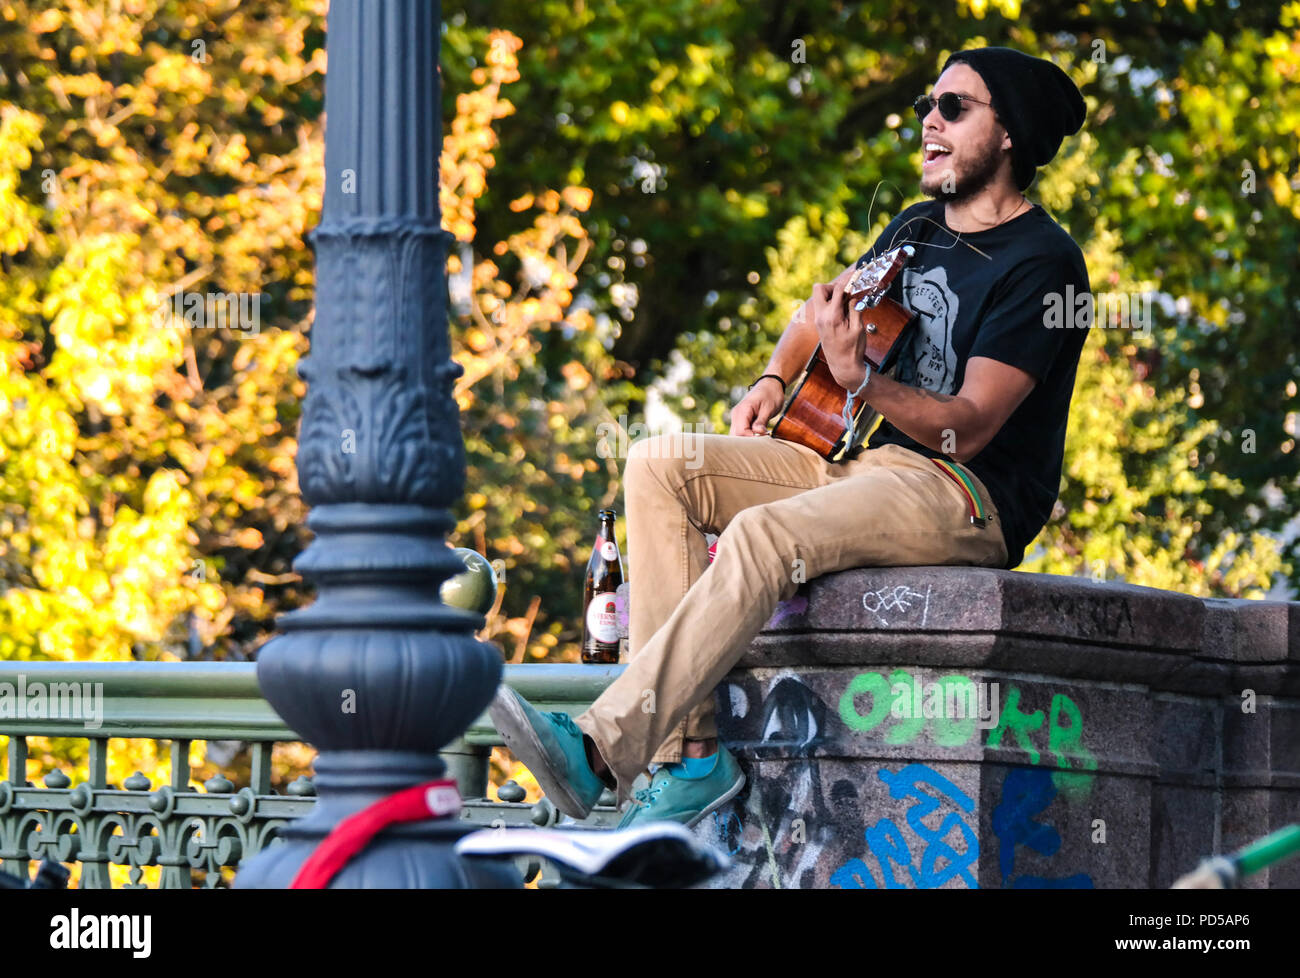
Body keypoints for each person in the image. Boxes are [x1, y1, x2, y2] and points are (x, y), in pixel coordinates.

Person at [490, 46, 1090, 828]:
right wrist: (773, 380)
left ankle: (603, 747)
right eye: (925, 107)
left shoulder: (1046, 265)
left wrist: (863, 383)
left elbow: (969, 428)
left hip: (963, 495)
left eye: (954, 108)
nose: (928, 123)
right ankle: (689, 758)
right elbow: (818, 315)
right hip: (865, 465)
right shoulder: (917, 227)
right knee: (658, 464)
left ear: (1010, 133)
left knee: (762, 534)